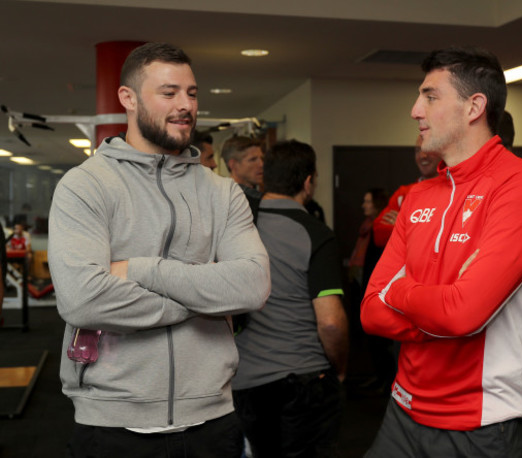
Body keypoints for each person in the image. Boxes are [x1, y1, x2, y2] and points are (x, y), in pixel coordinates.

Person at [48, 42, 270, 458]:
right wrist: (206, 299)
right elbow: (84, 299)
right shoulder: (86, 185)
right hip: (112, 421)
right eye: (169, 93)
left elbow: (253, 287)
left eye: (192, 93)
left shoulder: (223, 193)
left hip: (213, 417)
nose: (185, 105)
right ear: (127, 99)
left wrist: (138, 269)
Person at [361, 46, 522, 457]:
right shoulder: (418, 195)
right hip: (403, 409)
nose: (416, 110)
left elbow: (463, 313)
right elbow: (370, 313)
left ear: (474, 107)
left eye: (430, 97)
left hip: (482, 424)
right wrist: (444, 311)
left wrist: (401, 294)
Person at [232, 140, 349, 458]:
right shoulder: (315, 233)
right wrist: (340, 369)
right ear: (309, 182)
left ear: (265, 176)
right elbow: (331, 322)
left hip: (246, 383)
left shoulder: (239, 228)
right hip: (304, 382)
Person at [372, 135, 439, 248]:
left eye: (427, 149)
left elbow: (443, 237)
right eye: (418, 150)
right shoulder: (403, 193)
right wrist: (421, 229)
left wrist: (402, 224)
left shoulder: (453, 190)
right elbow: (379, 234)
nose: (422, 155)